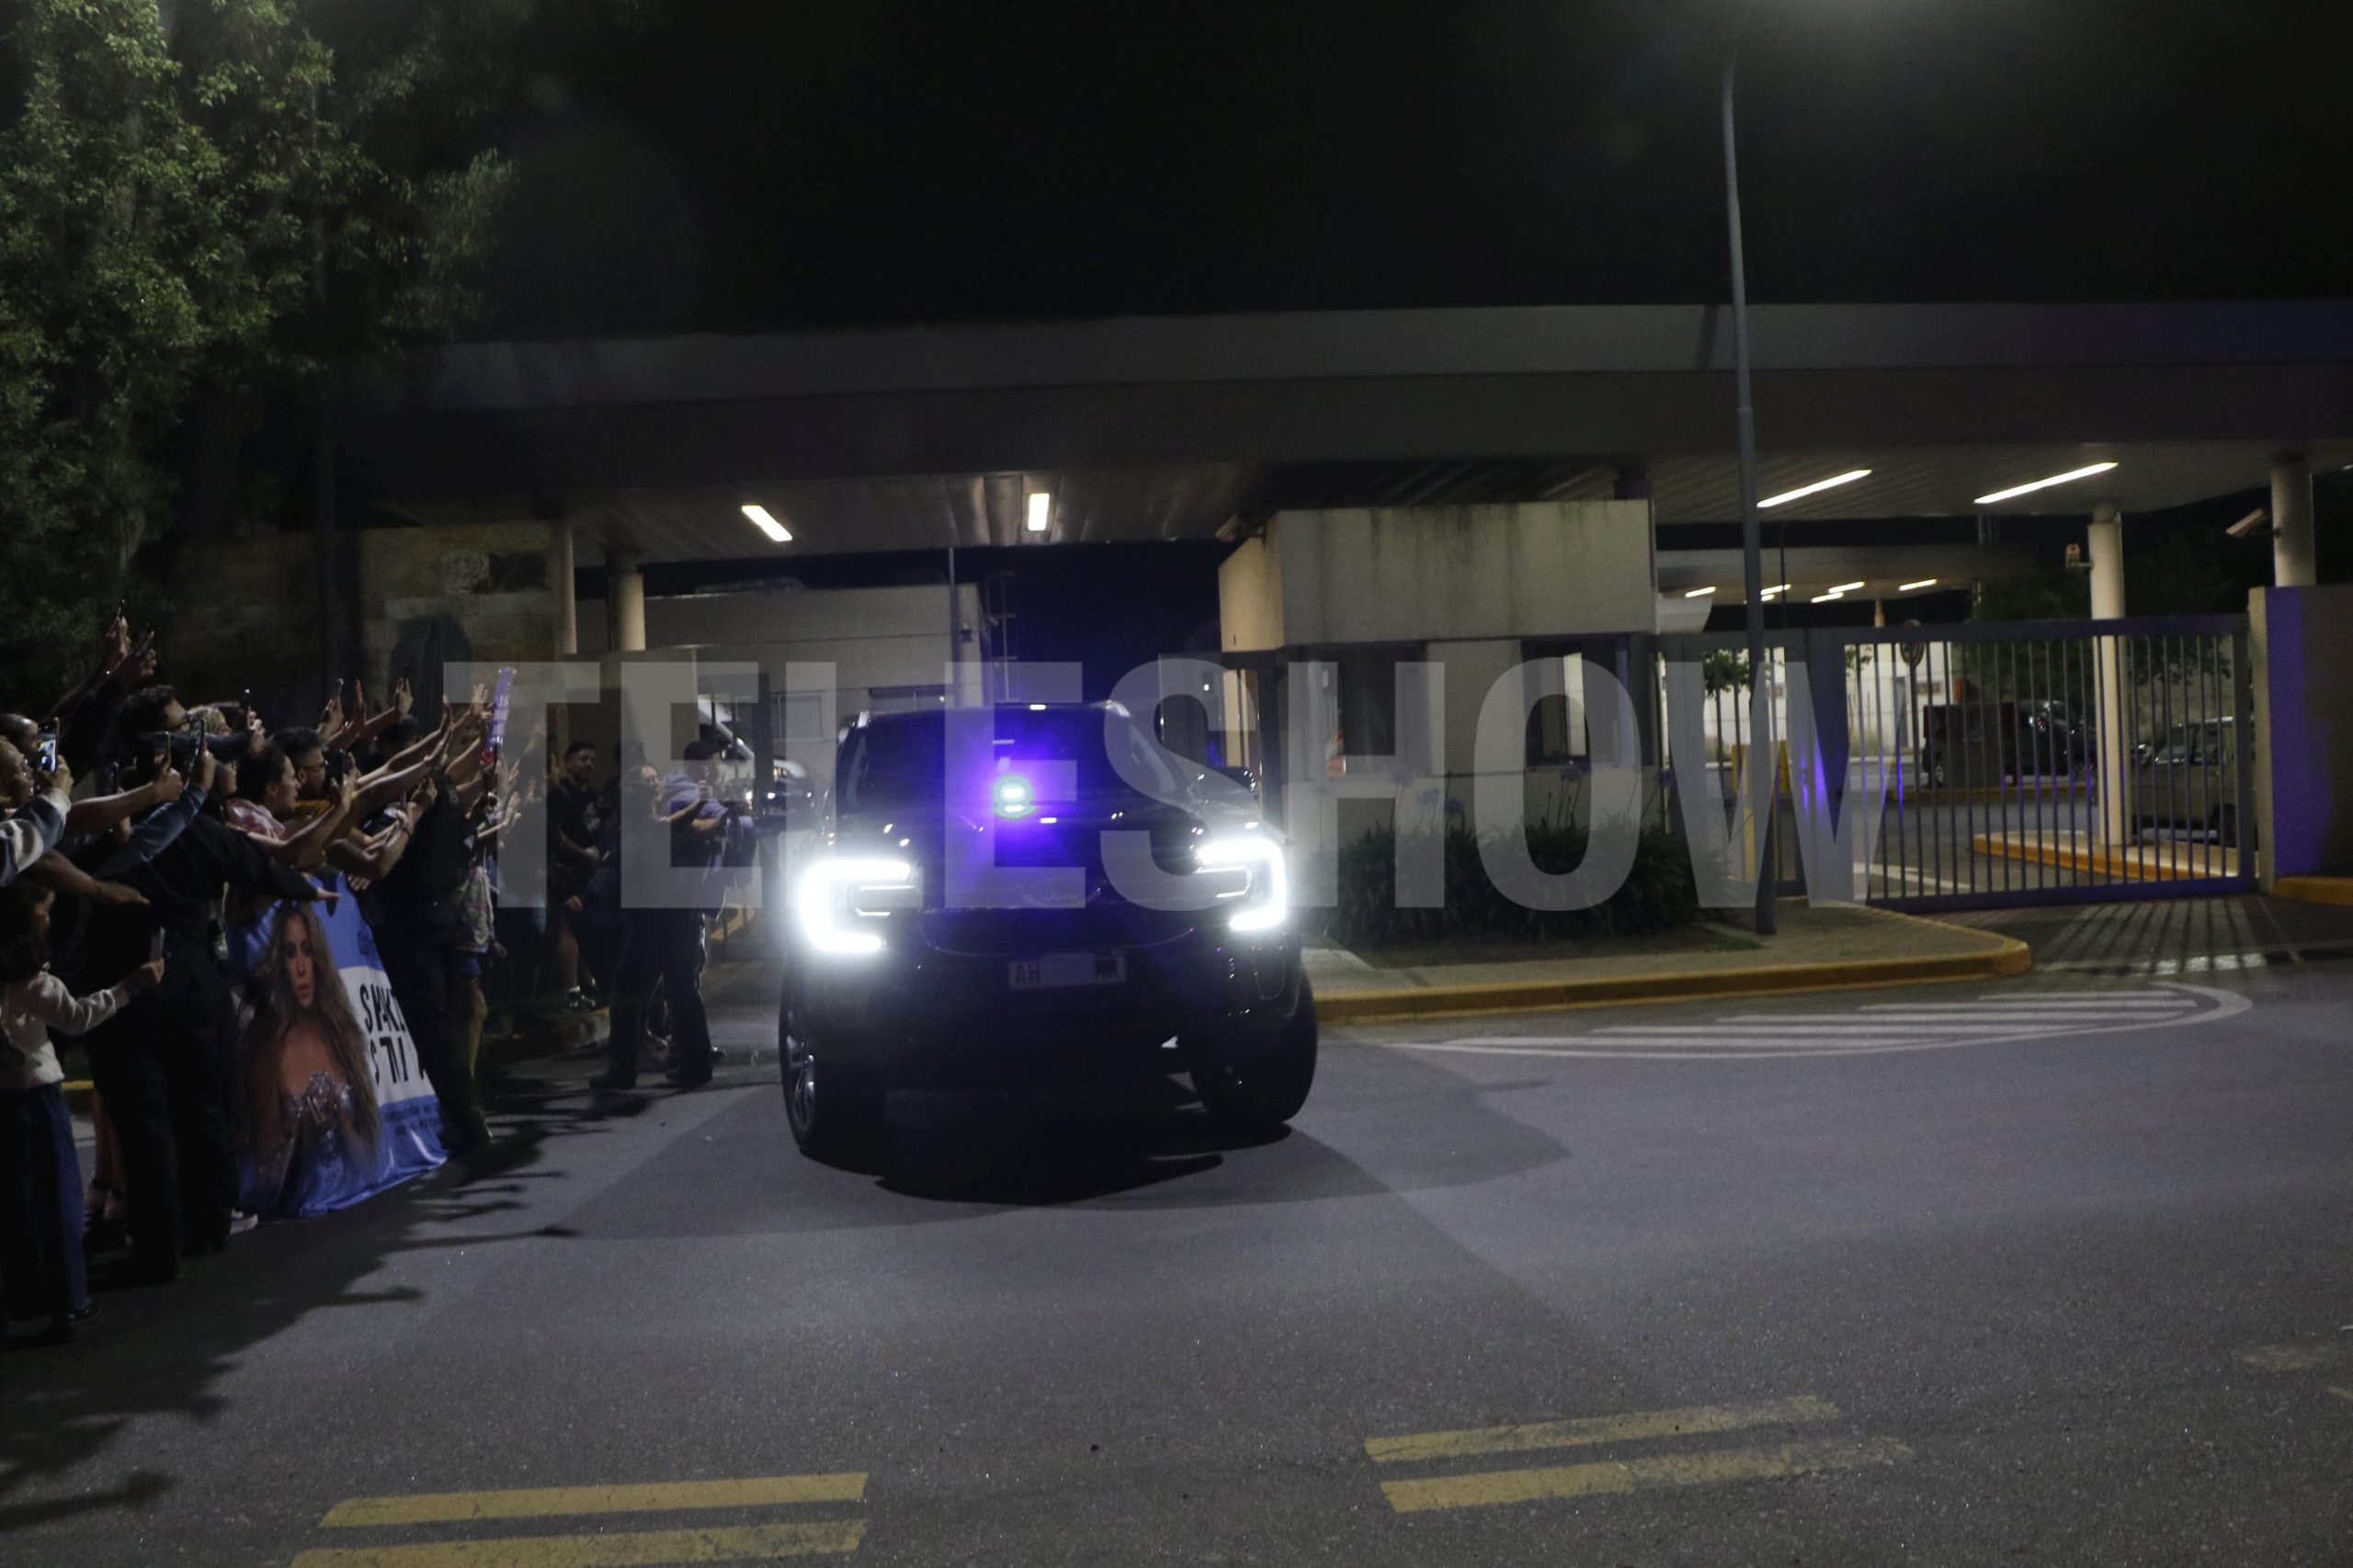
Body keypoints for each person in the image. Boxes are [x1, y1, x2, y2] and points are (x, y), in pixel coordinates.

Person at [77, 740, 325, 1283]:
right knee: (201, 1102)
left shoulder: (111, 839)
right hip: (195, 979)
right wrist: (307, 891)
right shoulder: (209, 834)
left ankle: (158, 1244)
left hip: (131, 981)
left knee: (147, 1122)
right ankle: (210, 1224)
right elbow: (264, 870)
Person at [0, 881, 164, 1340]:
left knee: (17, 1202)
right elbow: (75, 1016)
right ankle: (68, 1300)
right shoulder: (33, 980)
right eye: (43, 913)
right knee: (59, 1198)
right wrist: (129, 987)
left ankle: (23, 1292)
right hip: (38, 1093)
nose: (49, 921)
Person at [593, 741, 722, 1092]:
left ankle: (627, 1070)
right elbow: (681, 827)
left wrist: (710, 813)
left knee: (637, 995)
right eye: (645, 780)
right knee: (670, 993)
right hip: (661, 919)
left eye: (654, 778)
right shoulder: (641, 822)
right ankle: (691, 1066)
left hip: (661, 921)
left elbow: (681, 826)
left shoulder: (647, 821)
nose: (653, 784)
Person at [241, 902, 382, 1218]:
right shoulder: (270, 1051)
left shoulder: (343, 1035)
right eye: (291, 954)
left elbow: (372, 1163)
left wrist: (343, 1123)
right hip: (299, 1214)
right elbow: (265, 1181)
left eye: (307, 950)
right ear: (281, 965)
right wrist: (299, 1130)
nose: (302, 967)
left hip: (359, 1209)